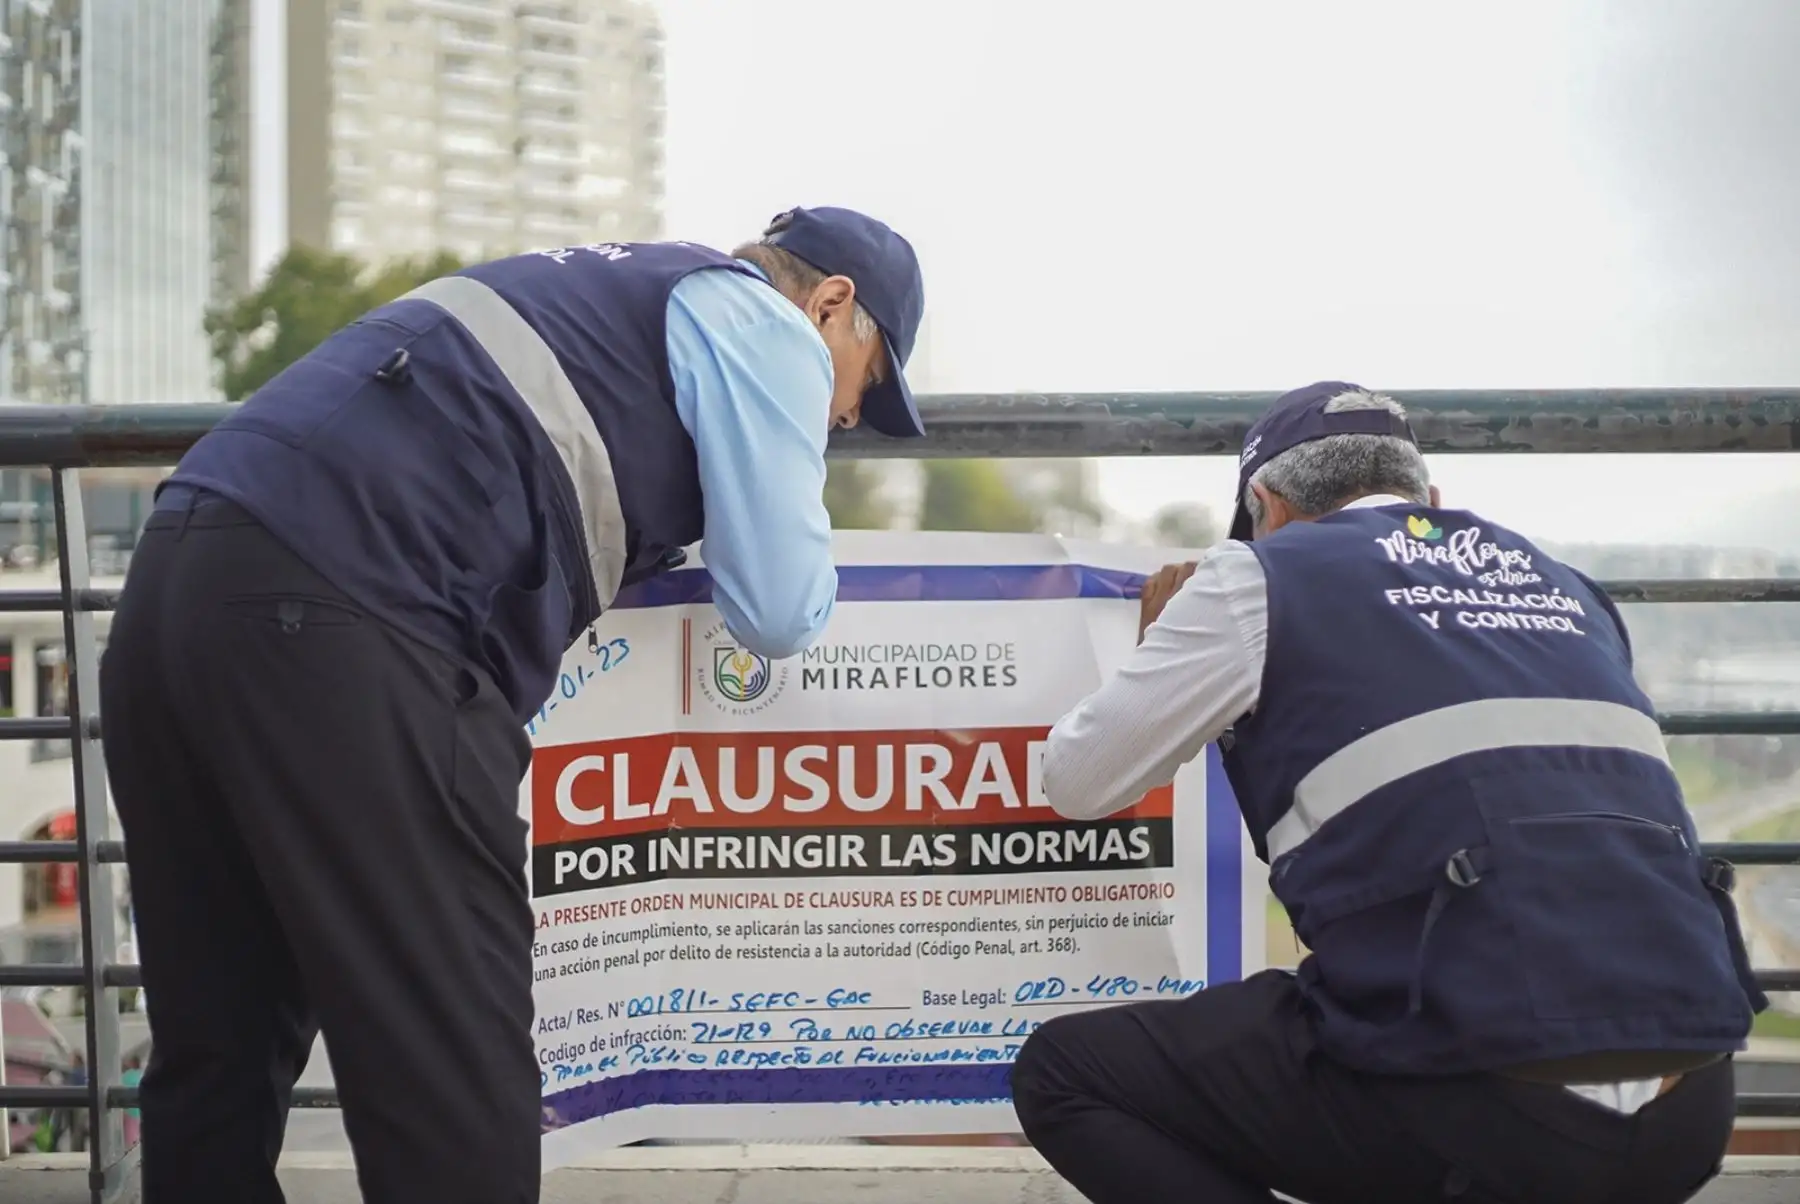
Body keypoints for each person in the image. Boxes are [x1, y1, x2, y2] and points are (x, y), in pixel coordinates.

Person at [98, 206, 926, 1204]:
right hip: (351, 607)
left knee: (216, 1054)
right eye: (864, 387)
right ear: (833, 304)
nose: (844, 423)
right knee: (449, 1065)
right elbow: (783, 606)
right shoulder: (762, 325)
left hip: (177, 574)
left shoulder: (592, 286)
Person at [1011, 382, 1767, 1204]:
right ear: (1430, 501)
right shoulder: (1569, 588)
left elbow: (1079, 782)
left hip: (1479, 1095)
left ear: (1267, 506)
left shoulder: (1257, 576)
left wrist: (1161, 666)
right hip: (1691, 1110)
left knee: (1067, 1075)